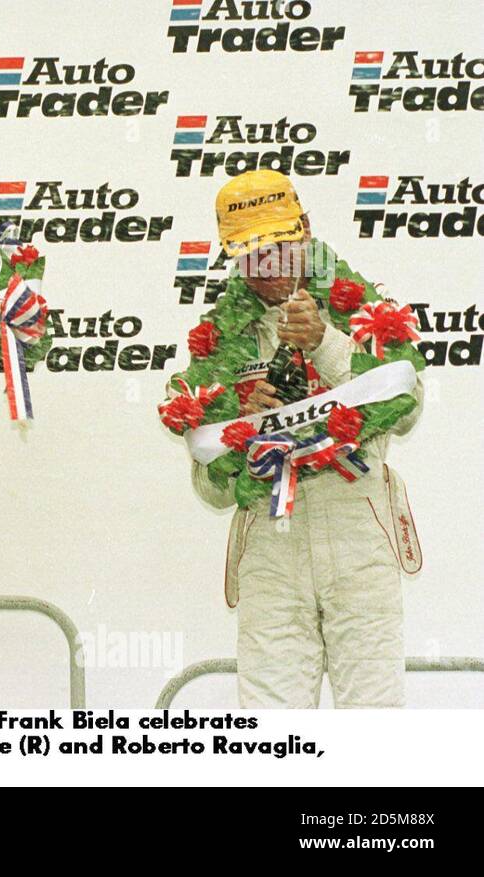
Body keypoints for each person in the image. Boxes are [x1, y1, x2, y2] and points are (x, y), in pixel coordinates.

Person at [191, 170, 422, 708]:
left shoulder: (360, 309)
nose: (266, 265)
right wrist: (239, 430)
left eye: (277, 245)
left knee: (373, 710)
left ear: (306, 232)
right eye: (249, 251)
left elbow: (407, 413)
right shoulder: (218, 340)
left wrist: (327, 344)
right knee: (270, 716)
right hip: (269, 538)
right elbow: (212, 489)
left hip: (356, 518)